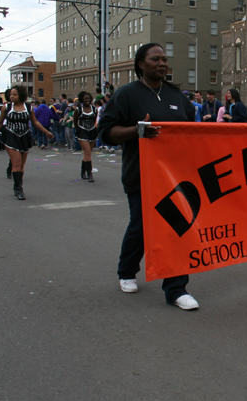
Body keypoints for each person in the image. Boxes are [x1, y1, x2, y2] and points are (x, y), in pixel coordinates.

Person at [97, 43, 199, 310]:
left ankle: (177, 290)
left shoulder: (177, 96)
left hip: (175, 177)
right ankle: (126, 271)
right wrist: (137, 130)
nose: (162, 63)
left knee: (176, 227)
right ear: (141, 63)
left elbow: (195, 132)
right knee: (141, 227)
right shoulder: (126, 94)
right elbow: (106, 132)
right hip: (140, 174)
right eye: (156, 59)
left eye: (165, 59)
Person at [0, 85, 53, 200]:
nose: (12, 96)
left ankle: (17, 184)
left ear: (21, 95)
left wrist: (46, 132)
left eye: (15, 94)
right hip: (11, 135)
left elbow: (35, 122)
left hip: (24, 136)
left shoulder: (29, 108)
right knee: (17, 162)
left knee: (21, 165)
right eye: (10, 94)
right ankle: (19, 189)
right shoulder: (7, 107)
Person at [75, 91, 99, 182]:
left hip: (92, 131)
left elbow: (95, 119)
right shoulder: (78, 109)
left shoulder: (95, 109)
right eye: (85, 99)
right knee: (87, 151)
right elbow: (75, 121)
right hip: (82, 131)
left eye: (88, 99)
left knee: (88, 153)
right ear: (82, 100)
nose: (87, 100)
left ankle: (83, 170)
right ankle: (90, 174)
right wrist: (78, 131)